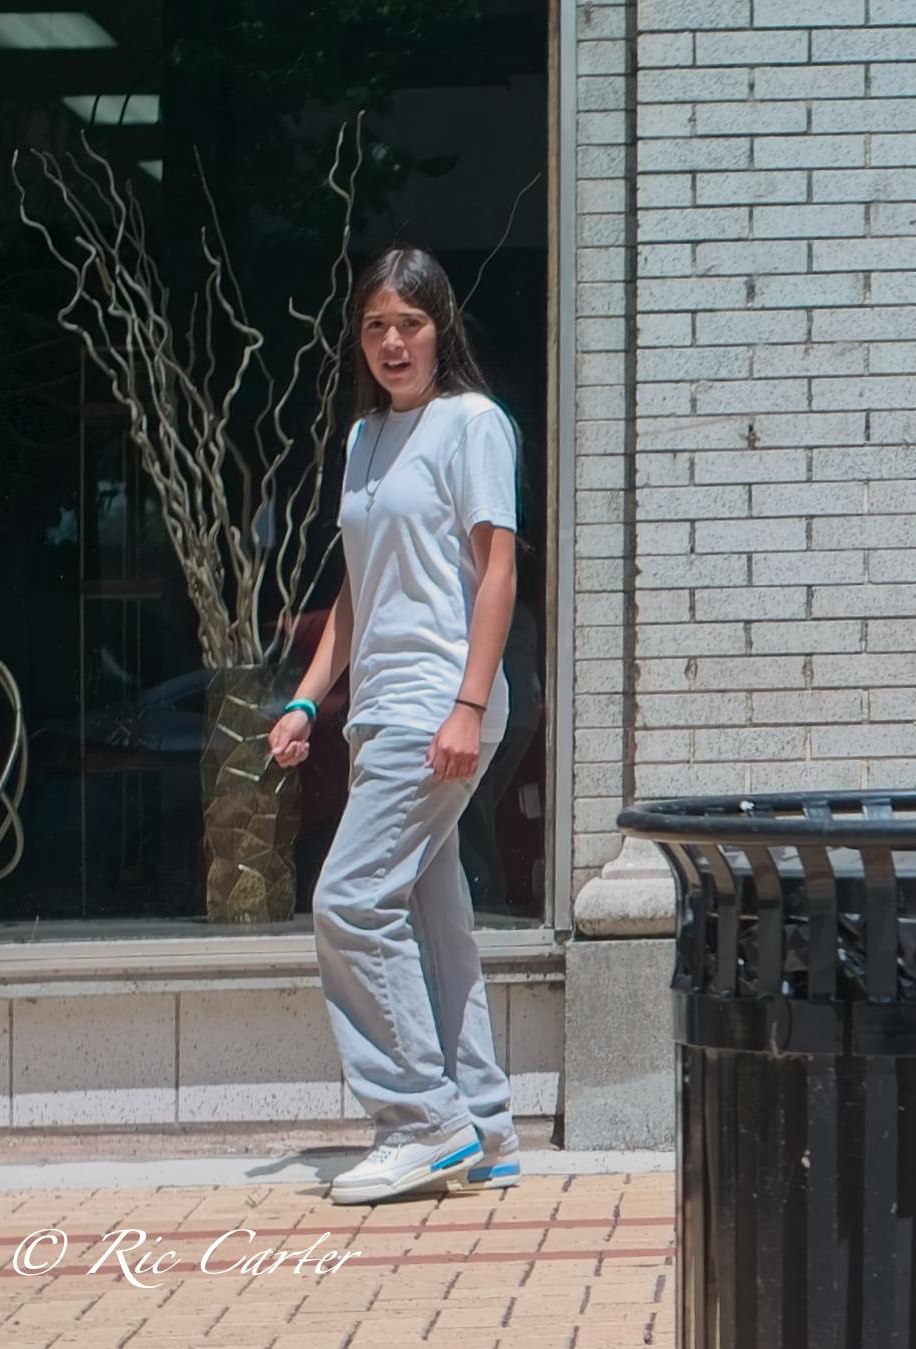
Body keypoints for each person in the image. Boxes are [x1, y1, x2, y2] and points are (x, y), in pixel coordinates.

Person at [268, 247, 522, 1205]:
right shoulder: (365, 438)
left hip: (439, 704)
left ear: (439, 326)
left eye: (409, 323)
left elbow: (498, 572)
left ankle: (421, 1119)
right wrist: (308, 698)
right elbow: (358, 590)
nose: (392, 342)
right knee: (429, 915)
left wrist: (468, 705)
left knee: (348, 901)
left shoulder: (473, 423)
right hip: (380, 708)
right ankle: (483, 1124)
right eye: (375, 325)